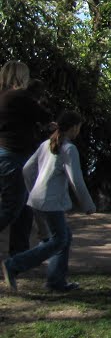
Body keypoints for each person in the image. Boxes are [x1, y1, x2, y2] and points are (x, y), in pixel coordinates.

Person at [2, 110, 96, 294]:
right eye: (79, 127)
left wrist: (33, 190)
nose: (79, 131)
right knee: (58, 239)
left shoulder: (46, 144)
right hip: (51, 202)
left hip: (38, 198)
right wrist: (88, 205)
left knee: (63, 238)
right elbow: (76, 180)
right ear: (74, 127)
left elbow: (27, 169)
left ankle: (56, 280)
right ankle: (14, 265)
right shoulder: (69, 149)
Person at [0, 61, 52, 256]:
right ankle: (18, 254)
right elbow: (44, 115)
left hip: (6, 153)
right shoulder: (20, 96)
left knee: (24, 207)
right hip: (15, 155)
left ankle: (19, 257)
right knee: (12, 207)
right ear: (21, 76)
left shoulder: (3, 96)